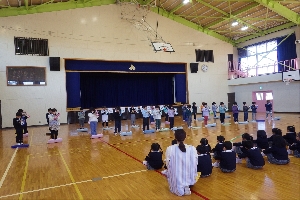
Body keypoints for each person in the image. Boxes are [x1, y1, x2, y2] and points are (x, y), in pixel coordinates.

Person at [165, 129, 198, 196]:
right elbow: (195, 163)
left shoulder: (170, 148)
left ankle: (180, 185)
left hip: (177, 176)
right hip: (189, 176)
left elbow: (168, 164)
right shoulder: (192, 148)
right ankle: (186, 184)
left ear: (175, 137)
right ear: (185, 137)